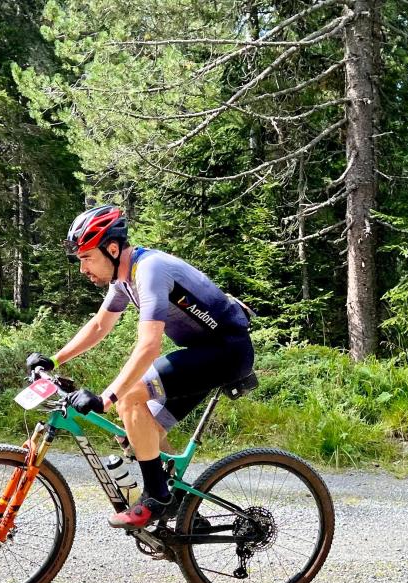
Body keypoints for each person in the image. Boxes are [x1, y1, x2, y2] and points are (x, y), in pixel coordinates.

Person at [26, 204, 254, 529]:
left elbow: (149, 346)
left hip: (227, 353)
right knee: (141, 428)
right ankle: (187, 511)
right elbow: (99, 326)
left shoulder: (149, 271)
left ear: (113, 248)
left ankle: (157, 498)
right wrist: (55, 359)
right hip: (204, 352)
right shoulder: (123, 280)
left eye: (87, 257)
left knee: (130, 395)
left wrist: (105, 398)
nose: (82, 268)